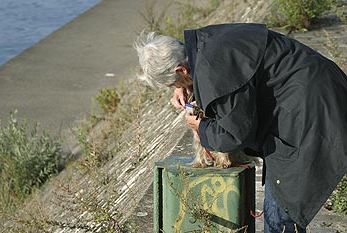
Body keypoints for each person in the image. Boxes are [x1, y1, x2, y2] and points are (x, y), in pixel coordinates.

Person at [134, 23, 347, 232]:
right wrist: (187, 85)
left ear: (181, 69)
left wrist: (202, 127)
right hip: (317, 84)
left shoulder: (214, 69)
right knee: (280, 207)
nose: (177, 90)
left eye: (173, 84)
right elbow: (221, 81)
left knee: (280, 213)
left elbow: (235, 134)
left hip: (311, 110)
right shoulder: (205, 44)